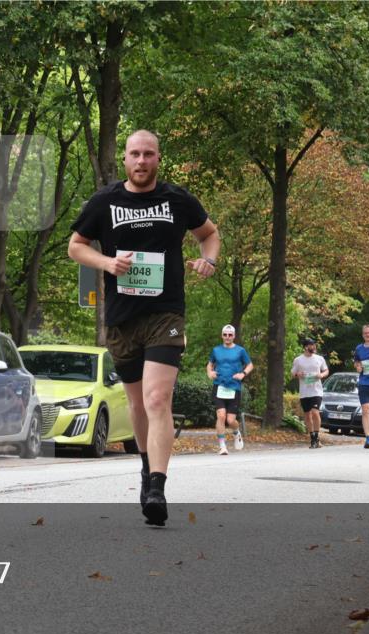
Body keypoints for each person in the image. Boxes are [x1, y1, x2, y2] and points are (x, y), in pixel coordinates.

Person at [68, 129, 220, 527]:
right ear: (125, 159)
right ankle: (145, 463)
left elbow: (210, 234)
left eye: (148, 154)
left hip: (166, 313)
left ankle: (157, 485)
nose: (141, 161)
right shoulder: (105, 201)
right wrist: (105, 264)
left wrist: (210, 261)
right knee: (136, 403)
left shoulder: (177, 199)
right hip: (122, 317)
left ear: (158, 158)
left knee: (156, 399)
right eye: (134, 154)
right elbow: (75, 246)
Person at [206, 324, 253, 455]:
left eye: (230, 335)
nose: (227, 337)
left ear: (234, 336)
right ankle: (222, 446)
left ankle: (236, 432)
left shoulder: (240, 351)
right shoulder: (216, 350)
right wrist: (210, 373)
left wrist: (243, 374)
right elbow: (209, 365)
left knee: (230, 420)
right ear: (222, 335)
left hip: (234, 387)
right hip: (219, 386)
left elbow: (250, 365)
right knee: (220, 416)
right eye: (225, 335)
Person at [291, 337, 329, 449]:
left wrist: (321, 375)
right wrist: (298, 374)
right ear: (306, 347)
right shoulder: (298, 360)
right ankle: (312, 438)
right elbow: (293, 373)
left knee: (315, 412)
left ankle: (317, 436)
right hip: (304, 391)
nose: (314, 347)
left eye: (315, 345)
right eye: (312, 345)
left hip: (316, 390)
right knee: (307, 415)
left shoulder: (319, 358)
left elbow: (326, 370)